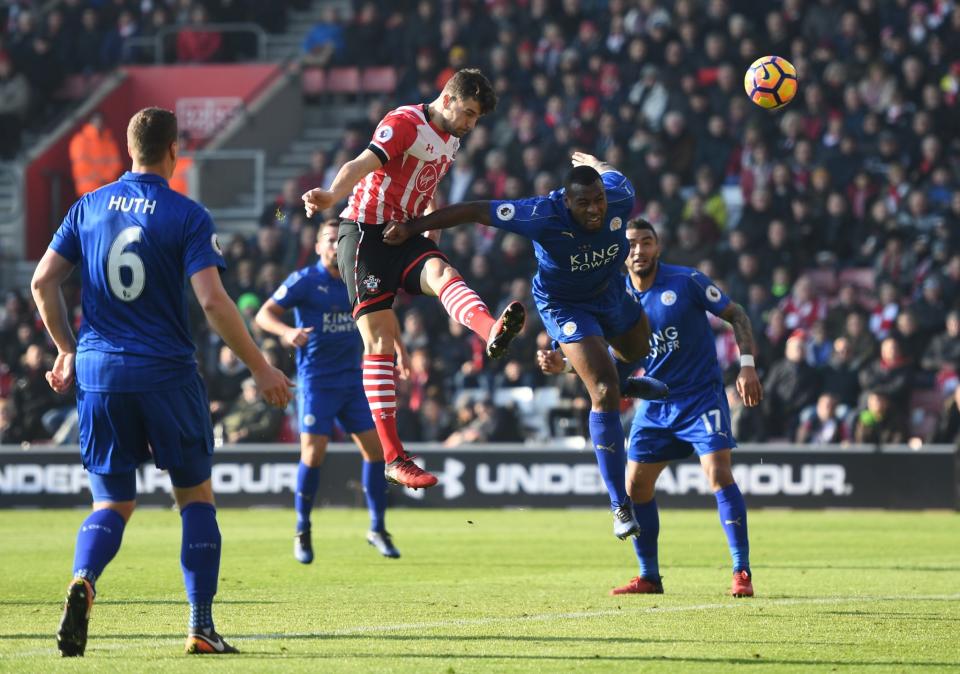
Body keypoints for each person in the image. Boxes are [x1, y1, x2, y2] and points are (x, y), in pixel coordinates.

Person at [30, 107, 293, 657]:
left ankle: (84, 581)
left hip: (100, 374)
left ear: (129, 149)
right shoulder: (187, 215)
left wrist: (64, 350)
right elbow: (212, 301)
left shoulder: (88, 206)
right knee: (195, 496)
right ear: (173, 150)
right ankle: (200, 624)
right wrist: (260, 367)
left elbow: (42, 281)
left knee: (111, 503)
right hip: (166, 372)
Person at [384, 153, 667, 541]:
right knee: (602, 391)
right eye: (583, 203)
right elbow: (474, 210)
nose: (595, 209)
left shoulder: (619, 196)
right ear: (567, 202)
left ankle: (626, 381)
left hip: (610, 292)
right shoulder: (540, 214)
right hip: (564, 305)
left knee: (638, 350)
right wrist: (414, 228)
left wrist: (597, 164)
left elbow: (612, 174)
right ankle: (620, 504)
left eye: (598, 200)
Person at [302, 68, 526, 490]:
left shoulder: (452, 138)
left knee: (444, 272)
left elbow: (428, 184)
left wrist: (429, 231)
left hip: (404, 233)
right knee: (380, 343)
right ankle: (393, 457)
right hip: (365, 235)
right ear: (449, 98)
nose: (472, 125)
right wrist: (331, 195)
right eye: (471, 113)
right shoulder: (404, 123)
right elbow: (361, 163)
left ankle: (490, 328)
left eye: (477, 118)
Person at [536, 219, 763, 598]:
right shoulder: (613, 296)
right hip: (655, 403)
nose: (639, 250)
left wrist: (748, 365)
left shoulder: (687, 281)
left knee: (718, 474)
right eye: (632, 244)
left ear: (658, 247)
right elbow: (603, 357)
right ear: (621, 253)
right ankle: (649, 576)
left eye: (647, 242)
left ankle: (741, 571)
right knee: (635, 486)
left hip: (700, 397)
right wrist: (563, 364)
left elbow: (736, 314)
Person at [255, 221, 401, 563]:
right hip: (317, 381)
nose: (337, 246)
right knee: (313, 455)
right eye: (330, 241)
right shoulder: (305, 281)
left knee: (376, 453)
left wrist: (401, 354)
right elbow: (264, 315)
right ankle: (303, 529)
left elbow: (383, 318)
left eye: (341, 240)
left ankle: (377, 528)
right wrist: (286, 332)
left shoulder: (360, 277)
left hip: (353, 379)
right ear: (319, 246)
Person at [68, 112, 123, 197]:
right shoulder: (80, 140)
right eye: (96, 121)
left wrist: (105, 177)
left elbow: (116, 163)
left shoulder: (108, 140)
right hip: (88, 190)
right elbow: (81, 166)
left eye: (100, 121)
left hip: (106, 189)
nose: (98, 124)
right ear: (90, 122)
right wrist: (102, 177)